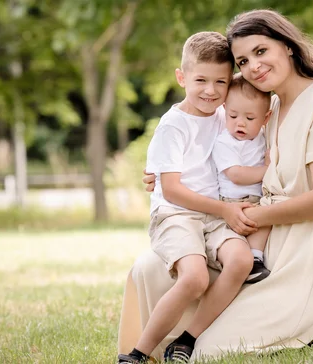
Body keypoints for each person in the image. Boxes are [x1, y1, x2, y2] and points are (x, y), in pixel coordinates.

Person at [119, 9, 313, 361]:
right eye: (243, 60)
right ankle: (144, 350)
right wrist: (162, 175)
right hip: (250, 229)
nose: (253, 66)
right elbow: (213, 147)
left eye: (261, 51)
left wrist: (252, 217)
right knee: (150, 268)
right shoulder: (270, 103)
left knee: (210, 352)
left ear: (287, 45)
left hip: (298, 241)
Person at [117, 31, 256, 364]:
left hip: (214, 215)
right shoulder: (173, 125)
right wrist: (225, 209)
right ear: (182, 77)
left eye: (220, 82)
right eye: (201, 80)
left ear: (230, 84)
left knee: (242, 261)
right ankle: (136, 353)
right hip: (176, 213)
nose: (210, 90)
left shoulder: (227, 116)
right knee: (195, 277)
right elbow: (174, 189)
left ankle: (187, 339)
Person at [211, 72, 273, 283]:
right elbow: (236, 175)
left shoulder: (263, 138)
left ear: (266, 118)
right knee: (236, 233)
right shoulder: (224, 142)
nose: (240, 124)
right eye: (233, 116)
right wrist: (267, 170)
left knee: (265, 221)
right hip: (231, 202)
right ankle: (235, 262)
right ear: (224, 110)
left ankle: (255, 259)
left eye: (249, 118)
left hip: (257, 200)